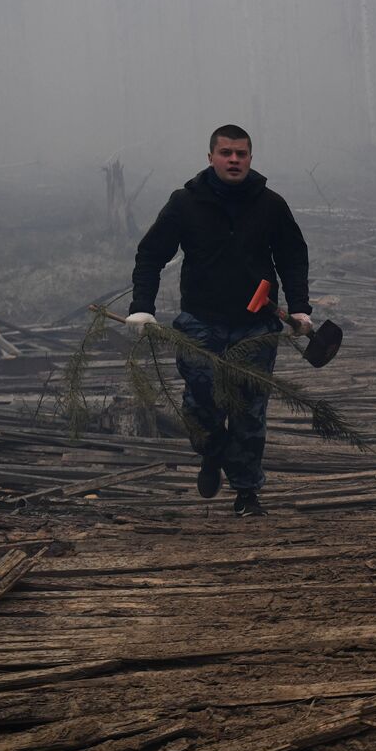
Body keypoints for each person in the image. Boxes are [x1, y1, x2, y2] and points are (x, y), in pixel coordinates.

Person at [125, 125, 311, 518]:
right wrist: (143, 307)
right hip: (200, 324)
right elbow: (150, 255)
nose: (233, 160)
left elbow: (293, 256)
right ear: (210, 157)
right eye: (225, 153)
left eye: (241, 154)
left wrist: (299, 307)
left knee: (248, 409)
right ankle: (212, 452)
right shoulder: (184, 203)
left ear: (250, 158)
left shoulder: (271, 205)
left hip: (256, 326)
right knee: (200, 406)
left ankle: (247, 493)